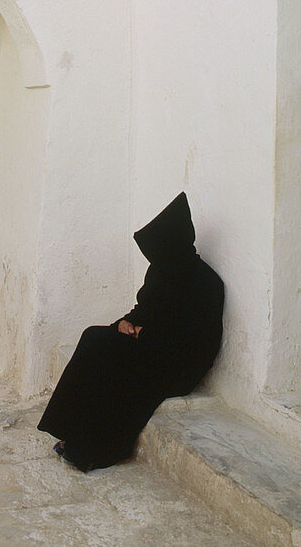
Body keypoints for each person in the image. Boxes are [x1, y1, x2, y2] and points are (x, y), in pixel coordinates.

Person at [37, 192, 224, 472]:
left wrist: (142, 335)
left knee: (110, 358)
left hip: (177, 365)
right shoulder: (164, 270)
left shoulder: (205, 284)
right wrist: (126, 322)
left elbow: (197, 346)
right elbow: (144, 308)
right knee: (94, 337)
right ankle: (69, 428)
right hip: (148, 345)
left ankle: (94, 449)